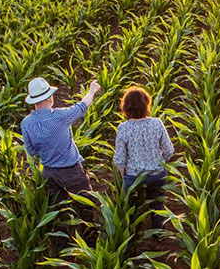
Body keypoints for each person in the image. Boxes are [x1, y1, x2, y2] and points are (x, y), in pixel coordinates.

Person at [20, 76, 101, 224]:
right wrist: (92, 91)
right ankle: (88, 241)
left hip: (48, 173)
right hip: (72, 171)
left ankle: (61, 242)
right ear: (48, 98)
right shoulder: (60, 116)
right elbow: (82, 107)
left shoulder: (26, 123)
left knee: (57, 213)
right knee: (85, 205)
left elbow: (31, 151)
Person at [113, 86, 174, 231]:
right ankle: (158, 234)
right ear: (146, 105)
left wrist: (122, 185)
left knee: (130, 208)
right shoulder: (157, 123)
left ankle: (133, 233)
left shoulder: (124, 128)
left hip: (134, 178)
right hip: (157, 174)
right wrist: (159, 162)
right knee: (157, 205)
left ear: (125, 107)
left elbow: (120, 160)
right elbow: (169, 150)